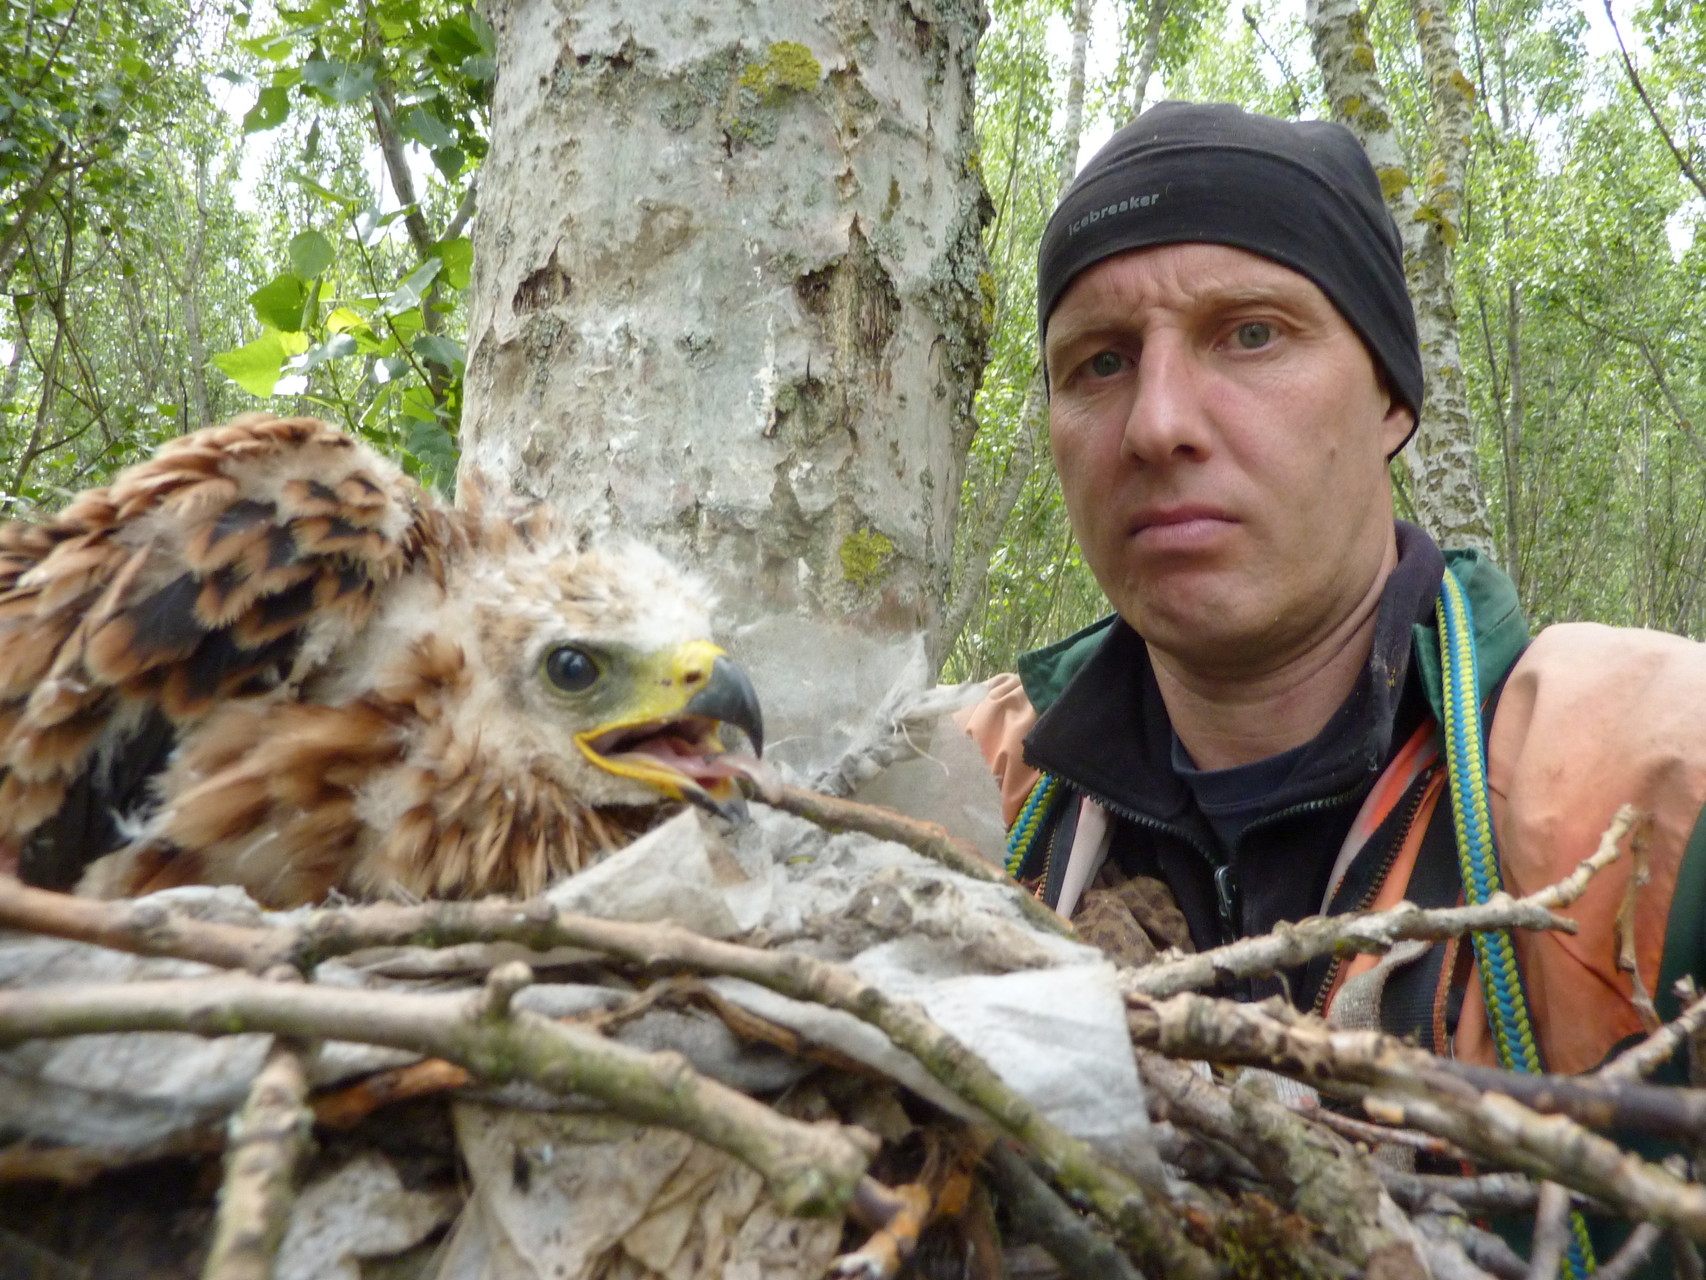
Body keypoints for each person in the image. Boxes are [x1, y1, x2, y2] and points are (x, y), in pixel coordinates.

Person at [959, 100, 1706, 1084]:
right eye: (1100, 361)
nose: (1155, 423)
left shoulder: (1653, 779)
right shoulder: (965, 790)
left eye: (1251, 334)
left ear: (1392, 395)